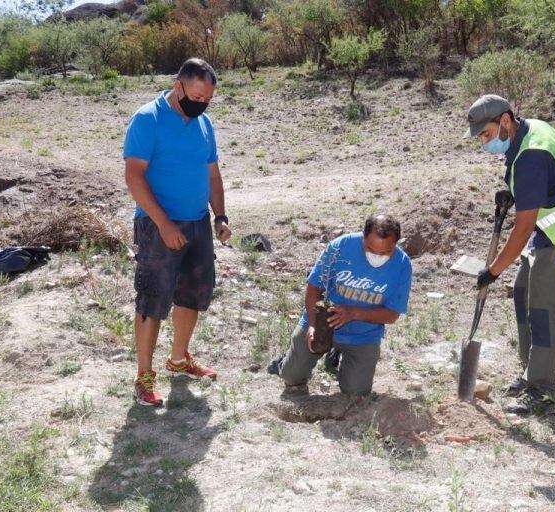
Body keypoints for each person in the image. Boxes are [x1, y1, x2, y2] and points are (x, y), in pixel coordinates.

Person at [464, 94, 555, 415]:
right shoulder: (531, 129)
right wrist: (516, 194)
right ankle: (531, 372)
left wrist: (493, 271)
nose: (483, 143)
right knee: (522, 291)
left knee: (542, 306)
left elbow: (523, 229)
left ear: (504, 121)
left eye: (485, 134)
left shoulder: (530, 154)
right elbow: (541, 183)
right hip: (551, 231)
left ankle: (544, 389)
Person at [123, 58, 231, 406]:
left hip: (198, 221)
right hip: (158, 226)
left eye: (207, 99)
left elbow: (212, 174)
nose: (200, 104)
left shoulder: (205, 124)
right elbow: (134, 176)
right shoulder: (147, 119)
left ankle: (179, 359)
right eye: (196, 96)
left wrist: (220, 216)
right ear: (178, 85)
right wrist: (164, 224)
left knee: (193, 294)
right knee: (152, 299)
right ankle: (144, 376)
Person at [267, 214, 412, 396]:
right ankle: (286, 362)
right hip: (322, 322)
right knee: (291, 376)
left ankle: (335, 359)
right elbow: (314, 287)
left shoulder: (403, 265)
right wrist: (312, 325)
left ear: (396, 244)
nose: (377, 257)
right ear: (363, 236)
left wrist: (353, 313)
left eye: (385, 253)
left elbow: (392, 315)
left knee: (356, 393)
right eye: (370, 249)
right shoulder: (340, 247)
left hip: (364, 334)